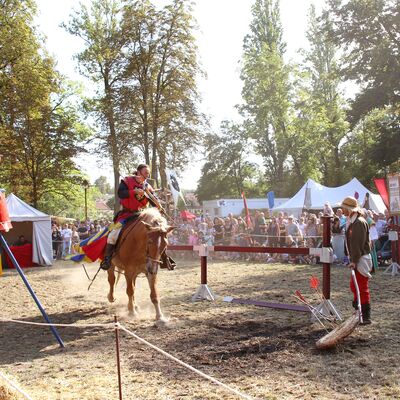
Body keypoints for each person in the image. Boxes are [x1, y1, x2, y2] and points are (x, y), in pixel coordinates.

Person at [100, 163, 175, 271]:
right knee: (113, 234)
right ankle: (107, 259)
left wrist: (159, 206)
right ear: (138, 172)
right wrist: (133, 191)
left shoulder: (147, 187)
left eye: (148, 174)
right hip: (127, 214)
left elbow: (153, 201)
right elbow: (120, 193)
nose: (147, 176)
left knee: (158, 233)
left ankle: (164, 258)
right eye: (145, 173)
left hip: (142, 215)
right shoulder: (127, 181)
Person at [341, 196, 373, 325]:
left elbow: (357, 244)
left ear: (349, 209)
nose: (342, 210)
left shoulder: (359, 222)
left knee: (361, 287)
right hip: (357, 258)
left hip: (360, 258)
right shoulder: (355, 222)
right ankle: (358, 312)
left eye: (344, 208)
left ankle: (365, 316)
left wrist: (354, 260)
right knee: (355, 286)